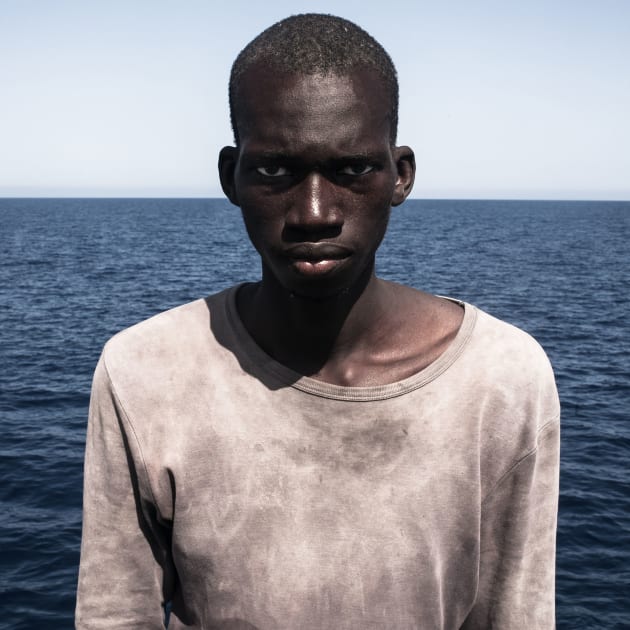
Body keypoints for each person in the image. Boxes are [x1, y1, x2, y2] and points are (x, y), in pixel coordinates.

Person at [76, 13, 560, 630]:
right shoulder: (144, 371)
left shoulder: (502, 379)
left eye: (352, 169)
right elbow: (114, 615)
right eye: (275, 171)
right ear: (232, 177)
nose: (313, 212)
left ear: (400, 175)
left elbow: (516, 615)